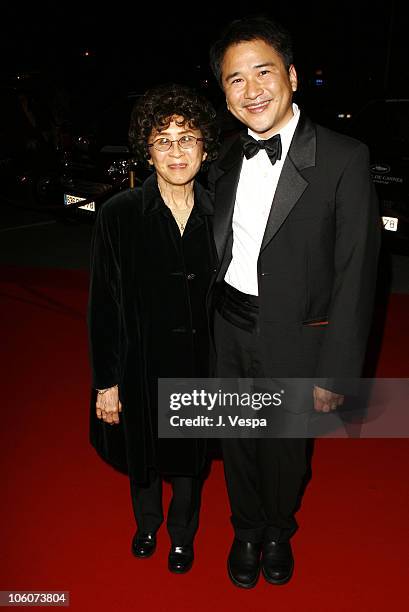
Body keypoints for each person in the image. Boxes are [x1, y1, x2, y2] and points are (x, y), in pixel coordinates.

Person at [208, 16, 380, 588]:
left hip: (296, 336)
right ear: (225, 92)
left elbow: (358, 275)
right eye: (236, 79)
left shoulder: (344, 158)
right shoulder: (225, 158)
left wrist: (337, 373)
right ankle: (245, 528)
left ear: (293, 76)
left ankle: (278, 530)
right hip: (227, 327)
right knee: (236, 441)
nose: (252, 89)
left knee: (284, 449)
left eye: (264, 72)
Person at [88, 84, 218, 574]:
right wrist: (107, 380)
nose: (177, 151)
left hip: (201, 367)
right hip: (139, 361)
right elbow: (104, 303)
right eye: (163, 140)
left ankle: (182, 535)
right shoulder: (118, 214)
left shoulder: (222, 214)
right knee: (142, 455)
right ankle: (147, 524)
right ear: (147, 151)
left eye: (187, 138)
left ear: (205, 147)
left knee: (189, 461)